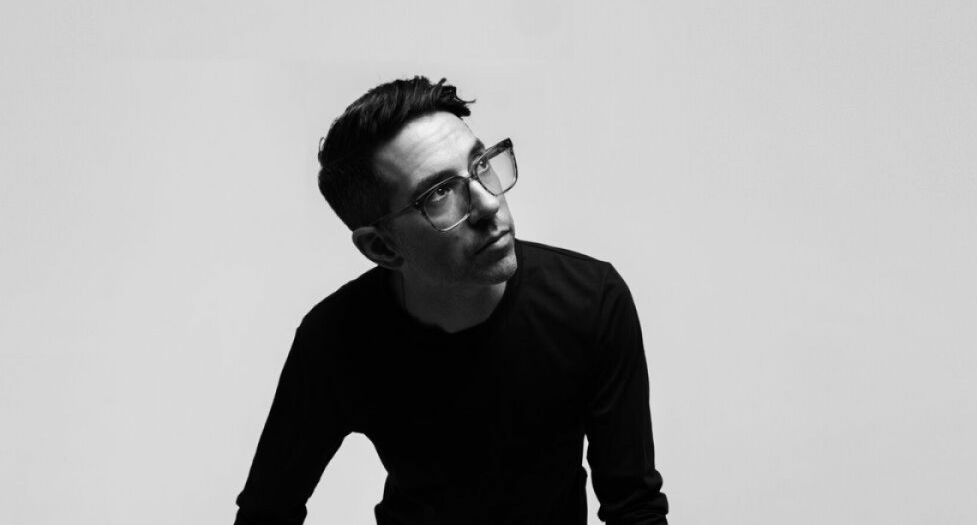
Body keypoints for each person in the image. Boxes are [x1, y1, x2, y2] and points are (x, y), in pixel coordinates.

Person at [234, 77, 669, 524]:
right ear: (382, 247)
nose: (488, 204)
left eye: (481, 164)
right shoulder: (336, 340)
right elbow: (267, 512)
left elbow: (634, 509)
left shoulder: (590, 301)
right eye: (439, 192)